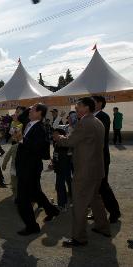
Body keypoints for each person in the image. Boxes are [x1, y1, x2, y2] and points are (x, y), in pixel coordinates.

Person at [55, 97, 110, 247]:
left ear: (86, 107)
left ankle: (79, 238)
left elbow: (69, 142)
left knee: (79, 204)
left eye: (78, 106)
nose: (76, 109)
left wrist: (59, 137)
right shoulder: (97, 121)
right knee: (95, 199)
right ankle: (103, 227)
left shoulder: (84, 122)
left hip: (84, 172)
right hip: (97, 170)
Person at [15, 104, 59, 236]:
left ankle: (32, 226)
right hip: (24, 165)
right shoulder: (28, 122)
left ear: (39, 113)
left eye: (32, 110)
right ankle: (52, 210)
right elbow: (21, 116)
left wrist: (22, 140)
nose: (29, 112)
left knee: (22, 199)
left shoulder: (40, 128)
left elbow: (39, 149)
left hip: (30, 167)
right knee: (35, 192)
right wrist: (31, 107)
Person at [92, 96, 121, 223]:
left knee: (103, 185)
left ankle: (115, 212)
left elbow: (98, 138)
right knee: (95, 187)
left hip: (101, 156)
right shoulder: (93, 116)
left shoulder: (103, 117)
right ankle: (98, 211)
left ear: (99, 103)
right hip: (93, 157)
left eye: (92, 102)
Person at [51, 128, 72, 212]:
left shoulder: (63, 145)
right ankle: (66, 202)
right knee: (65, 184)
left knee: (60, 186)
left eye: (55, 133)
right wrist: (53, 163)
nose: (53, 135)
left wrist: (57, 165)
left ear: (61, 135)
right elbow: (57, 156)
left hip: (62, 169)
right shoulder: (57, 144)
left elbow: (64, 158)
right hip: (60, 168)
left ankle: (62, 205)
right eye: (53, 133)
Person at [2, 128, 22, 201]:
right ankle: (18, 196)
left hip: (16, 167)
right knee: (17, 182)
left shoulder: (14, 147)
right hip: (18, 167)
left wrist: (4, 165)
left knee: (14, 183)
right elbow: (7, 156)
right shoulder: (14, 146)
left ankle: (17, 196)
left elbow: (7, 156)